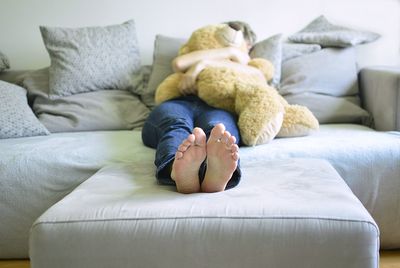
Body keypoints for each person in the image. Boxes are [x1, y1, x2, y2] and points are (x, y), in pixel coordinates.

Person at [142, 21, 258, 194]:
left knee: (218, 129)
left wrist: (203, 64)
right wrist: (221, 54)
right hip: (179, 101)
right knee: (175, 123)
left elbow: (259, 77)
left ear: (248, 46)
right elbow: (179, 63)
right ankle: (176, 168)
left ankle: (212, 173)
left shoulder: (250, 64)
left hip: (219, 106)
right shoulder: (200, 51)